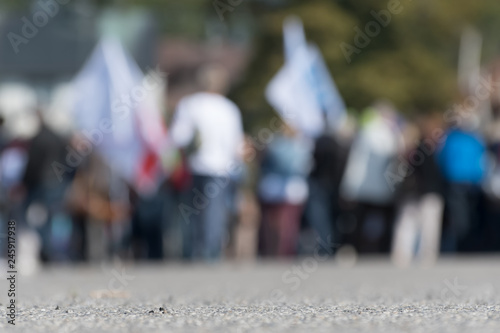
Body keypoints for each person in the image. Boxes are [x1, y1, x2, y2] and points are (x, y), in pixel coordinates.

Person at [170, 64, 244, 260]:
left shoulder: (190, 105)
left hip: (196, 165)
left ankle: (196, 250)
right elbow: (236, 145)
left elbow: (178, 137)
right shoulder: (230, 109)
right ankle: (212, 251)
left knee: (192, 211)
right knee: (215, 211)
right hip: (222, 167)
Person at [258, 125, 311, 257]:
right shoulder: (302, 146)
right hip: (292, 190)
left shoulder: (275, 145)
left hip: (274, 188)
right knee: (288, 225)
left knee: (272, 224)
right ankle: (284, 252)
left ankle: (271, 251)